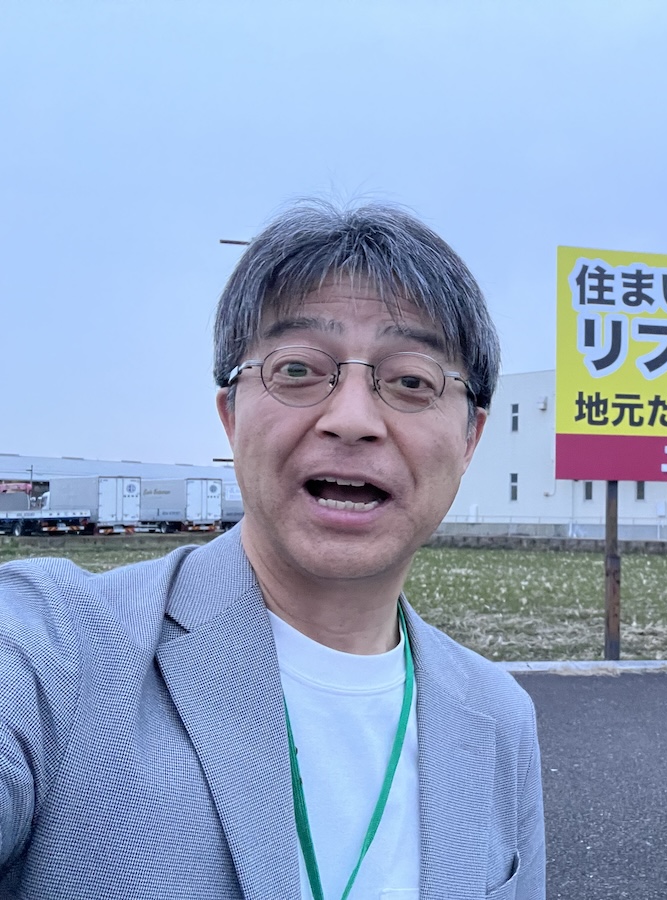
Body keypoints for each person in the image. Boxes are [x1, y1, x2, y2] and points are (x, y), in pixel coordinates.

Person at [0, 201, 545, 899]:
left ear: (471, 438)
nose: (352, 419)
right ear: (230, 416)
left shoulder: (502, 719)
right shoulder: (55, 649)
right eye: (297, 370)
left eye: (412, 381)